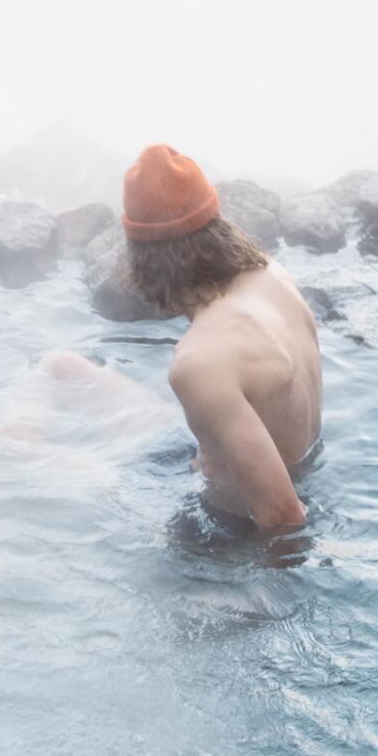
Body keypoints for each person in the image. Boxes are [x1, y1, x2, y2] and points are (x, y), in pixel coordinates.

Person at [121, 144, 321, 535]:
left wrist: (262, 593)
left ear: (142, 259)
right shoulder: (274, 277)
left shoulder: (199, 362)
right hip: (314, 472)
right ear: (217, 223)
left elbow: (283, 518)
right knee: (63, 368)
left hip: (233, 539)